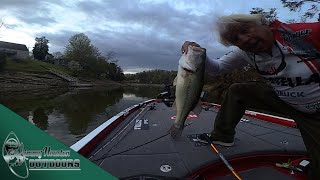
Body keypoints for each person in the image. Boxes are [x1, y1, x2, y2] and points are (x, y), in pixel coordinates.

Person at [181, 14, 320, 179]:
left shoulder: (307, 34)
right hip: (285, 101)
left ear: (263, 23)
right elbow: (216, 68)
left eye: (245, 30)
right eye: (236, 39)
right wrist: (196, 53)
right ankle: (222, 136)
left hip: (315, 112)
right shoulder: (245, 53)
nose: (244, 40)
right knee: (238, 90)